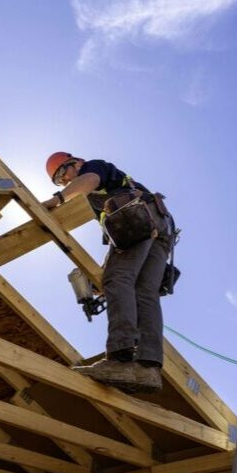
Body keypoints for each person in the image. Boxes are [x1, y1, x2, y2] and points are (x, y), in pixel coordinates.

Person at [42, 152, 174, 393]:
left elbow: (90, 179)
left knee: (118, 278)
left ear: (77, 162)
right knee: (144, 292)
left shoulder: (92, 169)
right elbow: (121, 246)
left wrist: (57, 199)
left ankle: (119, 358)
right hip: (160, 224)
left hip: (138, 216)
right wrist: (104, 273)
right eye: (59, 181)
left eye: (63, 173)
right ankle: (148, 368)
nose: (64, 181)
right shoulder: (105, 194)